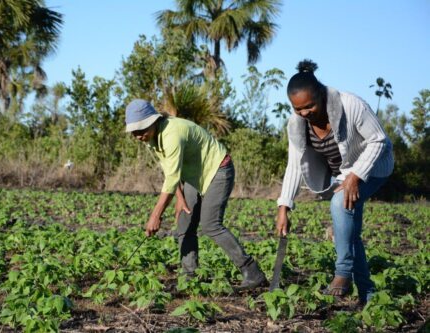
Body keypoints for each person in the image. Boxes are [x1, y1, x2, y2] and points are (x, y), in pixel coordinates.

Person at [276, 60, 394, 304]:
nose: (304, 113)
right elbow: (294, 163)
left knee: (340, 203)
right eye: (298, 109)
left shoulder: (351, 105)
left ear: (321, 93)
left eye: (309, 106)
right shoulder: (297, 124)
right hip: (344, 174)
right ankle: (368, 295)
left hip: (374, 166)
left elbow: (379, 140)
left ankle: (342, 272)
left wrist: (355, 176)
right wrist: (284, 206)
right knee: (349, 231)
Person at [125, 99, 266, 290]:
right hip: (193, 176)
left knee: (211, 225)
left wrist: (155, 215)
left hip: (218, 170)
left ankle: (252, 272)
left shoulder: (172, 134)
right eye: (135, 132)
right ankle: (189, 277)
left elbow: (172, 176)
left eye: (142, 130)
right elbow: (170, 171)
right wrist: (180, 199)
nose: (139, 136)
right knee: (184, 222)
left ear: (153, 121)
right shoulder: (151, 138)